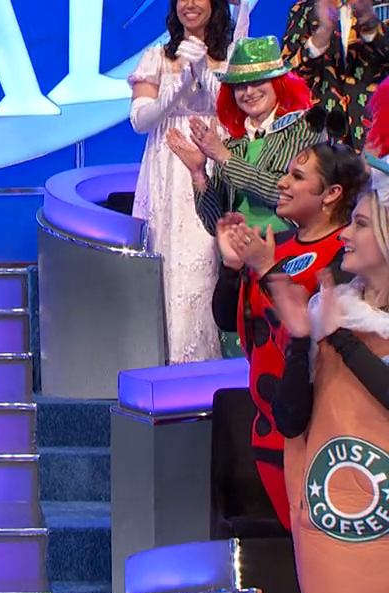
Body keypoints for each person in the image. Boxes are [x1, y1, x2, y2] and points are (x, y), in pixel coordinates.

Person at [268, 175, 389, 593]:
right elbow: (291, 420)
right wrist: (301, 341)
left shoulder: (339, 325)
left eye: (359, 225)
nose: (344, 235)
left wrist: (339, 336)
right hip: (347, 544)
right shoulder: (329, 311)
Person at [212, 140, 367, 530]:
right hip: (268, 432)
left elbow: (311, 334)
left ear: (331, 193)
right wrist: (231, 268)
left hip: (323, 434)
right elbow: (230, 321)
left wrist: (267, 270)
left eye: (297, 177)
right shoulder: (274, 245)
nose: (282, 184)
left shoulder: (347, 257)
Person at [168, 35, 319, 358]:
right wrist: (198, 173)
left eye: (257, 82)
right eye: (240, 86)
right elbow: (215, 221)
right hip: (240, 271)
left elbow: (283, 193)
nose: (248, 92)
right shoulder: (232, 145)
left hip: (287, 260)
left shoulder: (303, 130)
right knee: (244, 356)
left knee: (287, 356)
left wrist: (224, 159)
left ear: (279, 83)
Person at [130, 0, 252, 363]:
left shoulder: (230, 55)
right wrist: (176, 87)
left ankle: (208, 362)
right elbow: (140, 121)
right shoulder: (157, 57)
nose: (190, 4)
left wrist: (201, 68)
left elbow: (236, 112)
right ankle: (167, 363)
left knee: (209, 255)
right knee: (169, 260)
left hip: (214, 159)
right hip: (168, 169)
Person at [281, 0, 389, 151]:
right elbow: (288, 77)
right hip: (322, 135)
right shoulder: (305, 9)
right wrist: (321, 36)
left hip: (377, 135)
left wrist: (369, 23)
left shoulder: (383, 6)